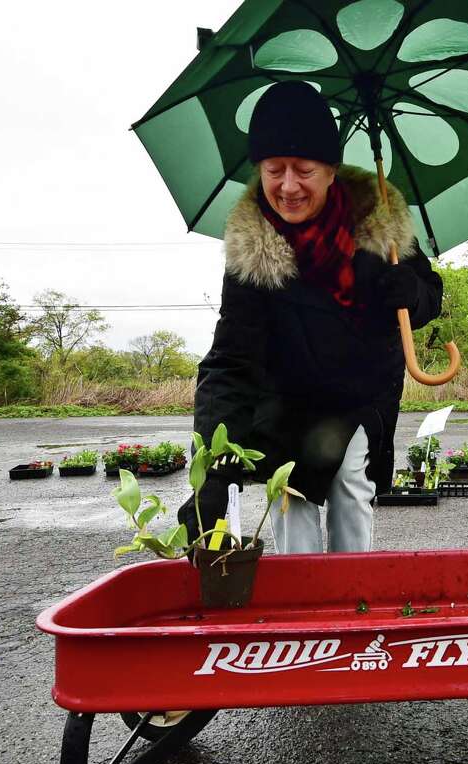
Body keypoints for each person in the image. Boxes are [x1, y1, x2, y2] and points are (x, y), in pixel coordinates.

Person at [180, 81, 443, 554]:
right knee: (292, 503)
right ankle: (302, 620)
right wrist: (214, 467)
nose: (287, 186)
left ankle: (352, 612)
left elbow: (429, 298)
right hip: (286, 406)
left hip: (362, 394)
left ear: (331, 171)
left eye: (303, 169)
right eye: (273, 170)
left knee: (349, 488)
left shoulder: (379, 221)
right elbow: (230, 361)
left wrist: (413, 293)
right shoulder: (252, 249)